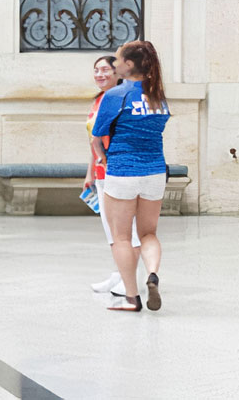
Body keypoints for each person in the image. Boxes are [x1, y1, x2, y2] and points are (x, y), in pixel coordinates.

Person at [93, 40, 171, 313]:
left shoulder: (115, 95)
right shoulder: (158, 96)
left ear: (128, 65)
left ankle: (131, 298)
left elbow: (97, 136)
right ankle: (152, 273)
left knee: (122, 237)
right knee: (148, 233)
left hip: (123, 171)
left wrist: (103, 157)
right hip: (155, 172)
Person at [85, 54, 142, 294]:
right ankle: (119, 273)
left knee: (127, 229)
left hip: (119, 170)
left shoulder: (122, 98)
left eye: (105, 69)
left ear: (117, 72)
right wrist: (90, 172)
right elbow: (93, 140)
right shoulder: (99, 100)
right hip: (101, 172)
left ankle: (129, 278)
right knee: (111, 228)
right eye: (96, 70)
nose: (100, 74)